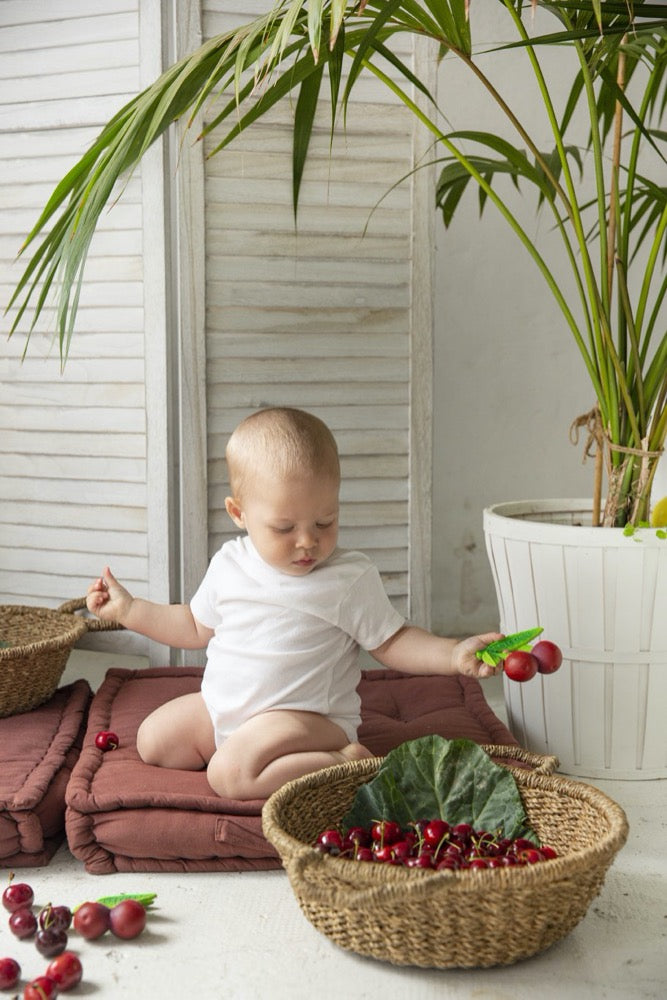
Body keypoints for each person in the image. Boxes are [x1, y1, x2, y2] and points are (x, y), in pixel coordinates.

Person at [86, 407, 503, 801]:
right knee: (153, 741)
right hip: (225, 711)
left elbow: (392, 641)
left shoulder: (347, 578)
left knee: (227, 776)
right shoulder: (229, 564)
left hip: (307, 721)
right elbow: (193, 626)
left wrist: (452, 653)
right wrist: (129, 610)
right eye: (284, 527)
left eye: (326, 522)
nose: (308, 541)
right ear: (239, 513)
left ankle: (343, 761)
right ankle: (249, 753)